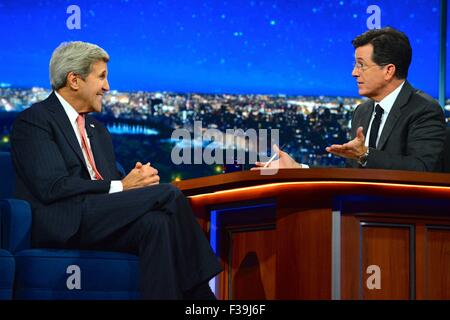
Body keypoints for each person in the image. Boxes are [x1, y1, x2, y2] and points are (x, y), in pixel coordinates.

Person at [10, 41, 222, 300]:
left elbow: (109, 186)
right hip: (64, 222)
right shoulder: (35, 121)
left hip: (100, 218)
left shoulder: (98, 131)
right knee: (169, 194)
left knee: (157, 224)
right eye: (101, 77)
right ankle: (202, 293)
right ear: (74, 80)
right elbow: (53, 186)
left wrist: (133, 182)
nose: (107, 87)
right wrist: (123, 186)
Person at [255, 27, 446, 172]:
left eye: (361, 65)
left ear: (389, 70)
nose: (354, 73)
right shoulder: (362, 112)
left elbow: (423, 168)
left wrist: (365, 154)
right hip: (358, 218)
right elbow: (351, 177)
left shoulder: (423, 110)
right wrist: (299, 169)